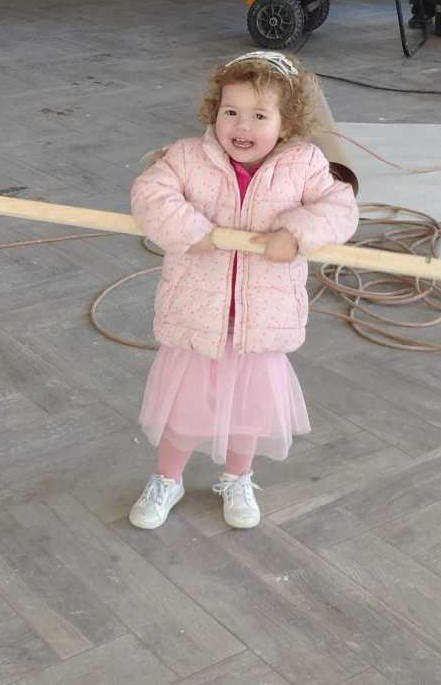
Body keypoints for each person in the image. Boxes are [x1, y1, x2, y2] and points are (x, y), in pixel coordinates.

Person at [127, 50, 359, 529]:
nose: (241, 126)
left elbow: (341, 208)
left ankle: (237, 479)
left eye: (259, 115)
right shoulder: (187, 157)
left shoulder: (305, 164)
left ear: (287, 123)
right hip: (197, 317)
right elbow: (149, 195)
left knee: (249, 412)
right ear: (215, 112)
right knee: (183, 410)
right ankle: (167, 479)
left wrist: (297, 233)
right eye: (230, 111)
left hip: (262, 324)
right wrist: (194, 231)